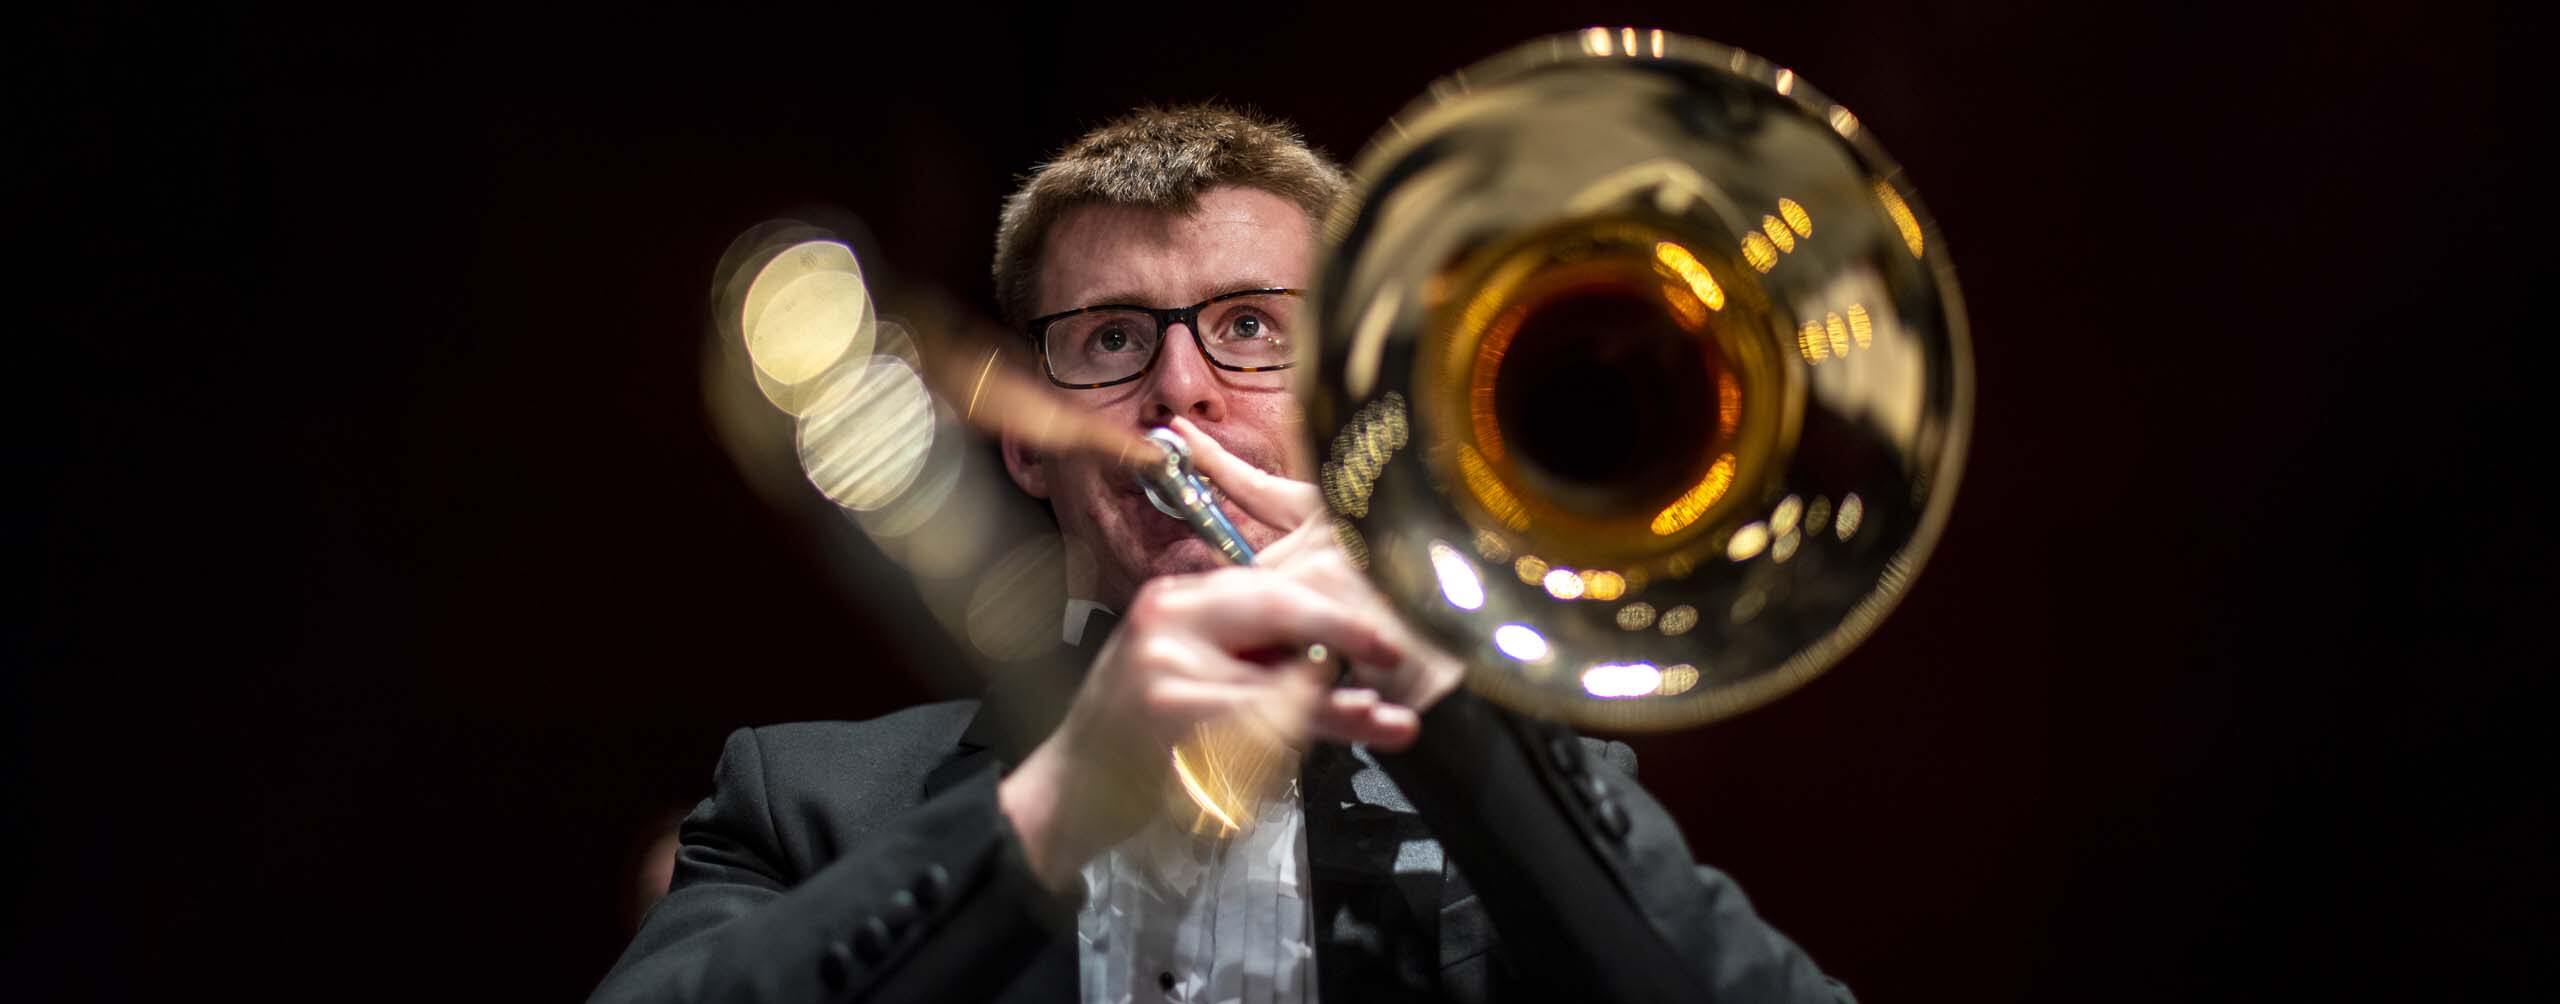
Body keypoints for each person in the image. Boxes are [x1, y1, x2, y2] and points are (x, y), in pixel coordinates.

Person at [592, 104, 1852, 1004]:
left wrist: (1458, 718)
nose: (1180, 388)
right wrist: (1047, 808)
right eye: (1108, 340)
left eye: (1250, 326)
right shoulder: (800, 800)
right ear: (1030, 444)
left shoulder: (1529, 778)